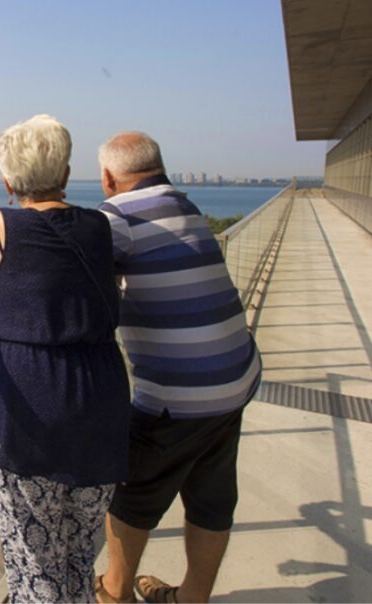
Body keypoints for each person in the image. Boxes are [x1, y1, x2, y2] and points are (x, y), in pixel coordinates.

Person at [0, 114, 130, 603]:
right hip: (101, 394)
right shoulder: (97, 224)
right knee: (77, 546)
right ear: (66, 173)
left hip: (31, 403)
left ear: (8, 181)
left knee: (34, 553)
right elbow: (57, 278)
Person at [93, 132, 262, 604]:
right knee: (210, 498)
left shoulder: (118, 215)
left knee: (130, 497)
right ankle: (192, 599)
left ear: (108, 177)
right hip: (236, 377)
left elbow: (60, 272)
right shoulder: (185, 205)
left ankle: (114, 592)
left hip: (179, 395)